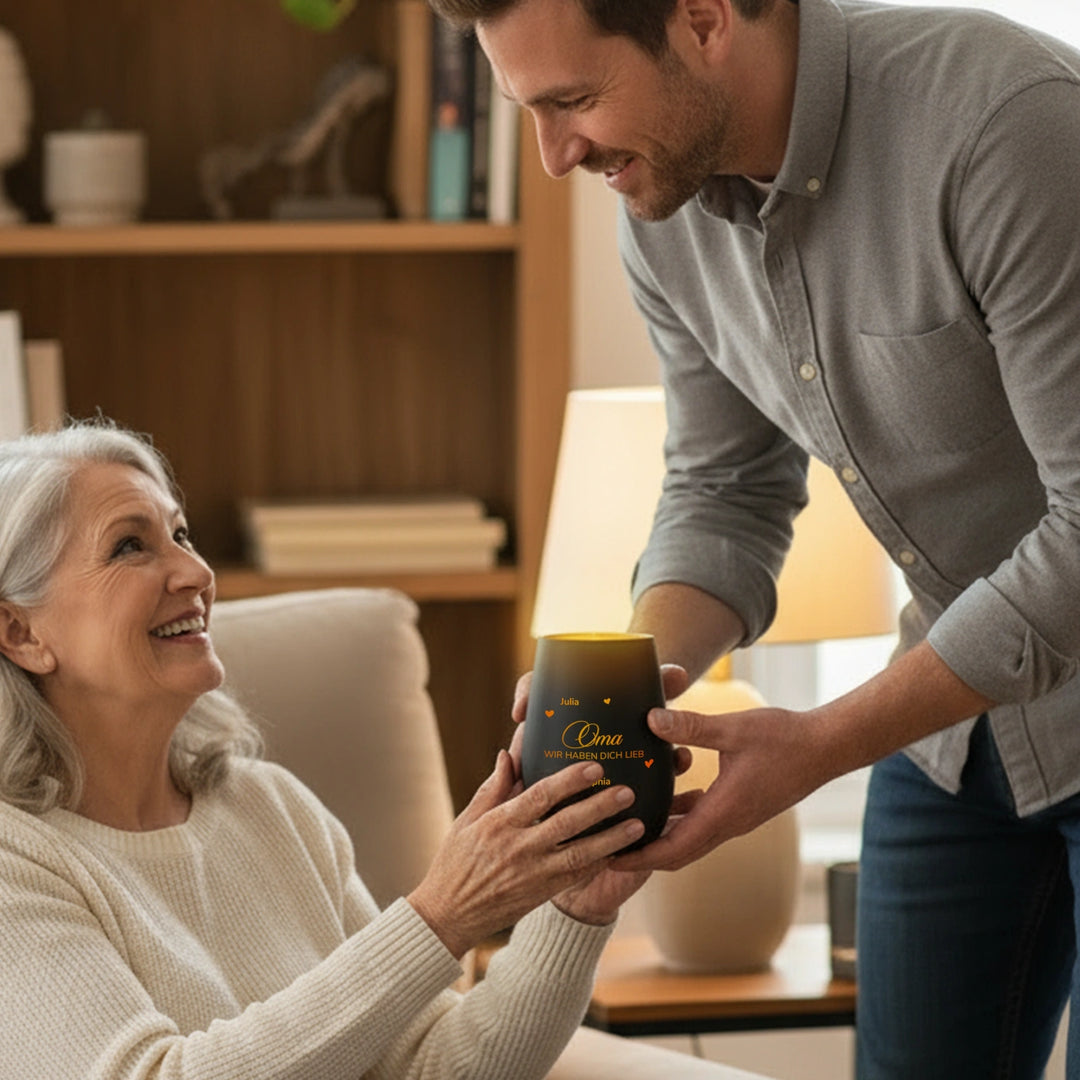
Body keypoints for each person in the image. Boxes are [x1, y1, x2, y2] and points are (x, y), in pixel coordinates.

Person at [426, 0, 1080, 1076]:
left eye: (575, 101)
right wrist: (633, 697)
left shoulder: (1003, 126)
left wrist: (821, 744)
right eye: (529, 111)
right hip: (962, 742)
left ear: (703, 17)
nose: (553, 158)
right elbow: (725, 487)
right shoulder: (659, 209)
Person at [0, 420, 656, 1079]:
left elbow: (430, 1070)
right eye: (129, 547)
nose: (196, 572)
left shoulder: (270, 806)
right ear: (19, 631)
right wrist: (441, 916)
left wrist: (575, 906)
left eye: (180, 535)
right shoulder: (14, 859)